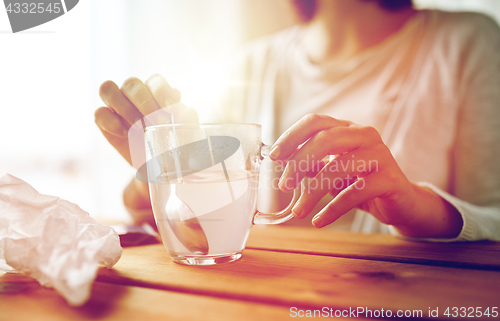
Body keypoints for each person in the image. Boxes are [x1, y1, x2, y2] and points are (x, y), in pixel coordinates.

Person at [95, 0, 500, 241]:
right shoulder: (250, 65)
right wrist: (165, 172)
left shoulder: (468, 45)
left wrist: (418, 206)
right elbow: (198, 219)